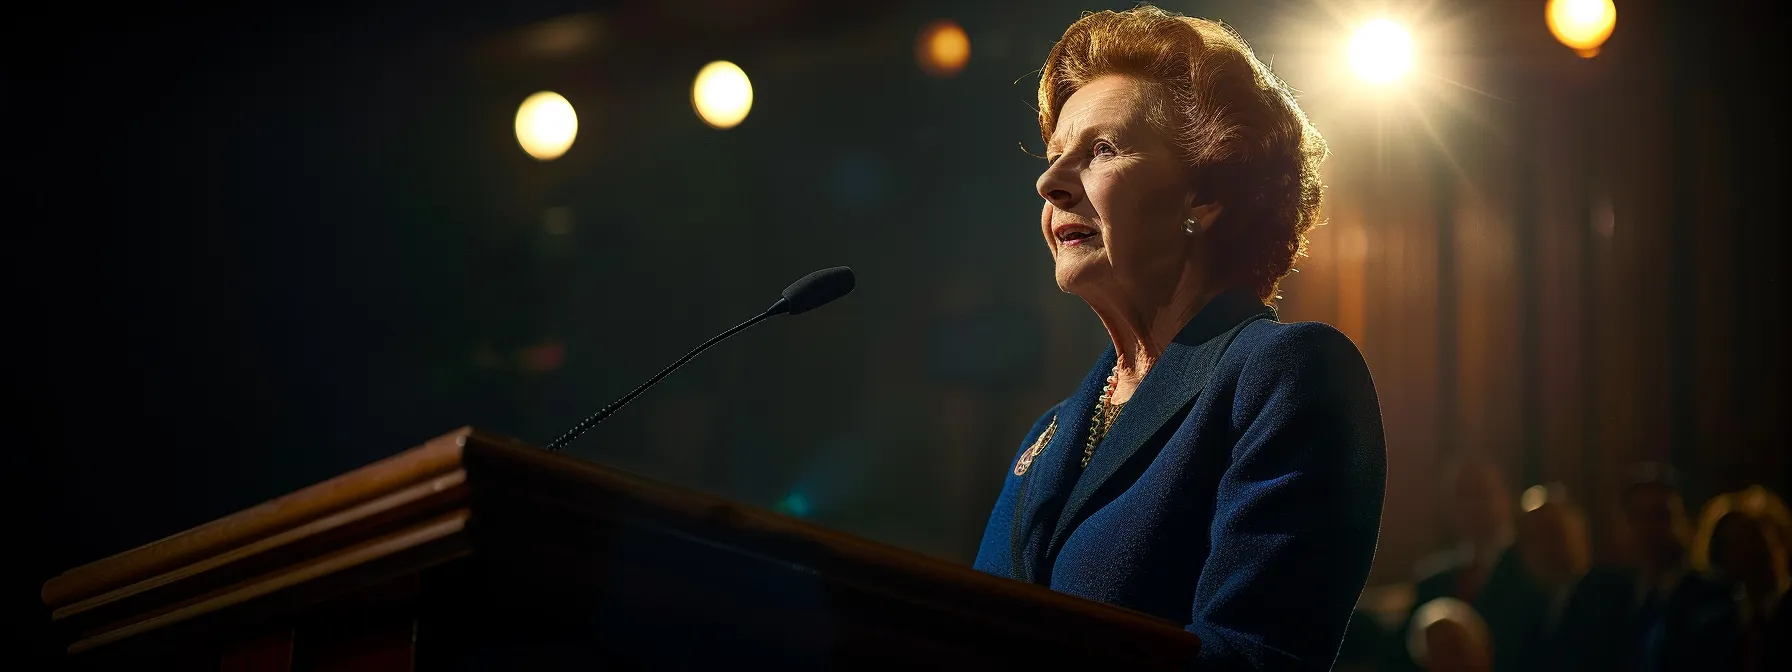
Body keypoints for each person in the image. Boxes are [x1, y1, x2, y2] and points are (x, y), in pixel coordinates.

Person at [969, 6, 1387, 669]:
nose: (1048, 184)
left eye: (1100, 150)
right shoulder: (1046, 437)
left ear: (1206, 191)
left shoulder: (1284, 376)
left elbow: (1253, 657)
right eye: (1054, 159)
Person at [1554, 463, 1742, 672]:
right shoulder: (1606, 599)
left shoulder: (1712, 599)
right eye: (1638, 517)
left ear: (1687, 523)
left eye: (1661, 516)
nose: (1649, 529)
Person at [1692, 485, 1792, 672]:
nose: (1748, 551)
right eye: (1735, 543)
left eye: (1754, 536)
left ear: (1780, 536)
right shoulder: (1715, 629)